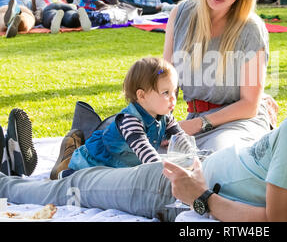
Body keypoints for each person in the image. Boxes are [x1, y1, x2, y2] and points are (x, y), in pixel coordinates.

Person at [0, 20, 287, 222]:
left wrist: (200, 198)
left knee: (77, 186)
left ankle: (9, 180)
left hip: (175, 187)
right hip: (201, 166)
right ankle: (86, 136)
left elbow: (277, 222)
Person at [163, 0, 272, 152]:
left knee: (216, 157)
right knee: (144, 156)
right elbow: (165, 79)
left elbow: (249, 105)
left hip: (237, 123)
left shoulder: (251, 28)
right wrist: (158, 120)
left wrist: (197, 124)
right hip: (192, 120)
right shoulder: (181, 14)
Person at [49, 57, 195, 179]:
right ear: (142, 96)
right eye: (165, 93)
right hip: (96, 162)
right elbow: (147, 154)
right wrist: (164, 175)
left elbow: (181, 140)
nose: (173, 99)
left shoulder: (166, 116)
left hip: (123, 165)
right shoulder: (130, 120)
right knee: (83, 181)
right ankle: (66, 165)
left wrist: (195, 161)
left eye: (174, 91)